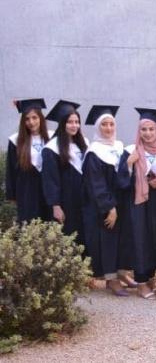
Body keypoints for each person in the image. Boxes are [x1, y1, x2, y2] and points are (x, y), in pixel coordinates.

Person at [81, 105, 136, 296]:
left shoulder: (118, 147)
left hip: (121, 202)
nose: (109, 128)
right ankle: (111, 279)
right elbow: (96, 184)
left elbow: (122, 178)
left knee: (122, 240)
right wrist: (110, 208)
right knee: (108, 241)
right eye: (104, 124)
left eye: (111, 124)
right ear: (98, 127)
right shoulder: (93, 152)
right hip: (102, 206)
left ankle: (121, 273)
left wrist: (129, 165)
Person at [118, 108, 156, 300]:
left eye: (151, 129)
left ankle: (150, 278)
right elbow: (120, 182)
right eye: (143, 129)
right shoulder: (130, 151)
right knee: (140, 240)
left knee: (154, 238)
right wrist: (129, 165)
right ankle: (140, 282)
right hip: (137, 203)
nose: (147, 133)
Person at [42, 100, 88, 249]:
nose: (74, 125)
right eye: (70, 122)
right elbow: (50, 180)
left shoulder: (83, 144)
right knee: (67, 237)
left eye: (77, 122)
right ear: (62, 124)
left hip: (82, 200)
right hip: (65, 202)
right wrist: (56, 206)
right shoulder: (51, 148)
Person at [6, 98, 52, 224]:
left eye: (34, 118)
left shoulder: (51, 138)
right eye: (27, 119)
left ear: (41, 118)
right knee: (29, 226)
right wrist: (12, 195)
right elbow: (11, 169)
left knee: (50, 226)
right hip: (26, 191)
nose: (31, 122)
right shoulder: (16, 140)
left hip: (48, 191)